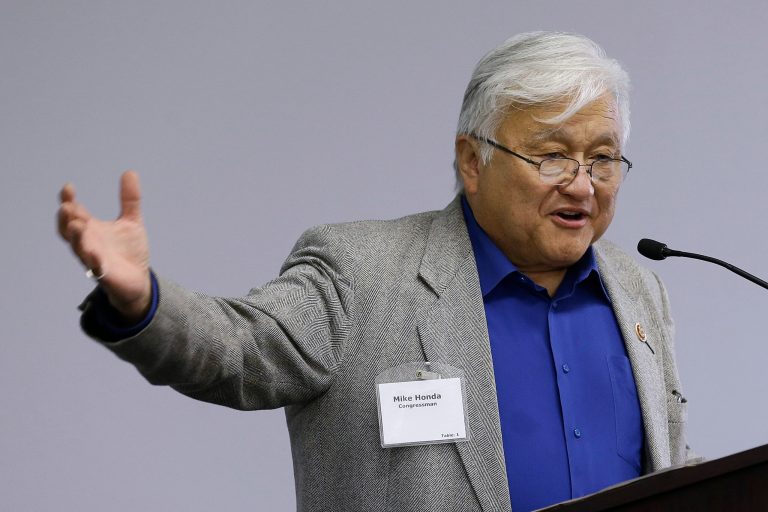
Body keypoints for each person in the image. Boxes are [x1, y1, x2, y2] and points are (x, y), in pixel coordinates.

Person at [58, 31, 693, 512]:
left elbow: (665, 460)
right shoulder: (364, 274)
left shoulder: (639, 291)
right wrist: (144, 299)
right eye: (553, 156)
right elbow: (241, 351)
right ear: (473, 162)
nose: (582, 185)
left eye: (603, 158)